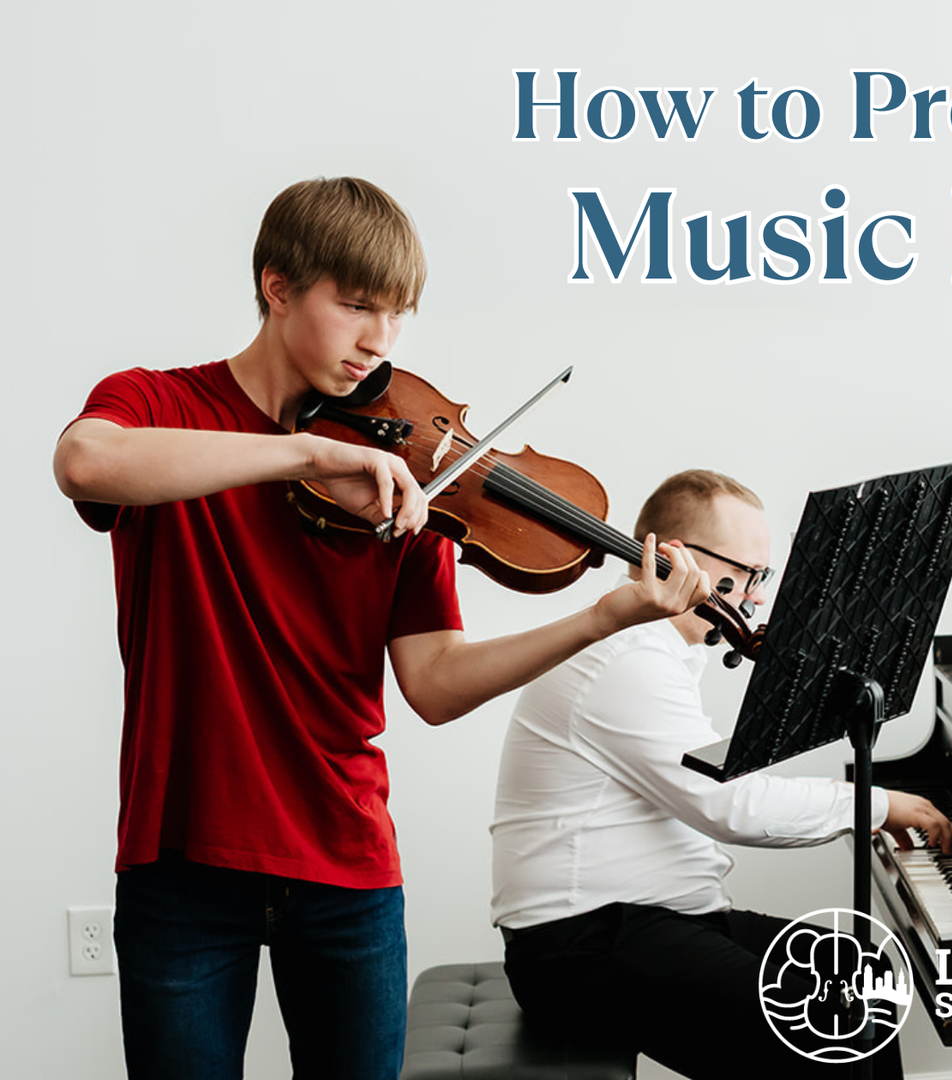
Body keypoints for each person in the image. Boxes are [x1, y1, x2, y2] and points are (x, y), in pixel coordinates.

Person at [52, 176, 711, 1080]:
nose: (379, 342)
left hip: (346, 868)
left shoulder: (409, 470)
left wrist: (604, 615)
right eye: (356, 305)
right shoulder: (162, 404)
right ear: (277, 287)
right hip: (183, 867)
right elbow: (85, 460)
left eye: (398, 316)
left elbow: (435, 685)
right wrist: (310, 451)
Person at [491, 469, 952, 1079]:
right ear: (677, 558)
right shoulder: (625, 655)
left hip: (653, 919)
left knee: (865, 976)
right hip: (580, 944)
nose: (758, 596)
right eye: (748, 574)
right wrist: (871, 805)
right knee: (826, 1023)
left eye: (762, 577)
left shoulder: (657, 650)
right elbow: (729, 806)